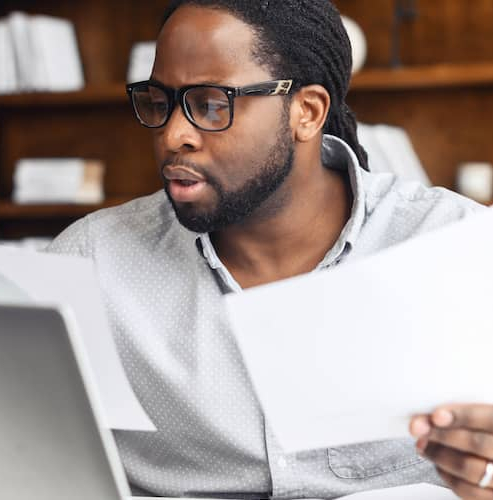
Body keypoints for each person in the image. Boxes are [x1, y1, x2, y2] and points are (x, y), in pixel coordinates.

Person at [48, 1, 492, 498]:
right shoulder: (88, 264)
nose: (173, 135)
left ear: (307, 111)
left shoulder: (460, 248)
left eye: (213, 103)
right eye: (159, 101)